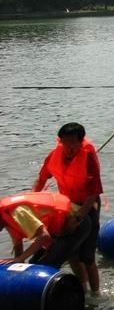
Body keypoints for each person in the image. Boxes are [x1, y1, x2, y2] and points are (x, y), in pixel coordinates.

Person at [32, 122, 103, 294]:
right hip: (65, 206)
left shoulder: (88, 159)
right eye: (65, 143)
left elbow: (93, 195)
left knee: (87, 257)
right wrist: (32, 202)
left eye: (73, 143)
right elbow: (41, 180)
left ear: (80, 142)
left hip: (88, 207)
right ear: (60, 141)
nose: (69, 147)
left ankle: (95, 293)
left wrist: (78, 217)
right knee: (72, 253)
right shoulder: (54, 155)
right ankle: (83, 288)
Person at [0, 191, 90, 267]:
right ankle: (84, 286)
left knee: (46, 265)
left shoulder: (17, 212)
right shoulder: (6, 218)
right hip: (59, 230)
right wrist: (15, 263)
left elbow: (44, 236)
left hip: (76, 223)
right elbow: (18, 247)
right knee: (34, 263)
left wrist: (20, 259)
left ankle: (82, 287)